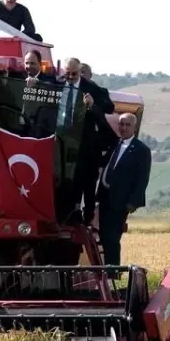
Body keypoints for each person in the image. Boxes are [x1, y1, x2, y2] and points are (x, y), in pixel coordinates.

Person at [59, 58, 117, 223]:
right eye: (67, 73)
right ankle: (67, 213)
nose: (70, 77)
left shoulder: (92, 89)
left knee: (87, 183)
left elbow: (109, 107)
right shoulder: (57, 84)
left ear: (80, 72)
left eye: (74, 74)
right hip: (61, 142)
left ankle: (87, 216)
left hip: (85, 145)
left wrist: (93, 105)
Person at [96, 113, 151, 266]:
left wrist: (133, 201)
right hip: (105, 196)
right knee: (103, 234)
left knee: (113, 237)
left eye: (128, 125)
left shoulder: (141, 150)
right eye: (121, 124)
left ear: (134, 127)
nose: (124, 128)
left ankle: (113, 271)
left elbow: (142, 178)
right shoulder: (114, 144)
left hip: (121, 200)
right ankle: (106, 269)